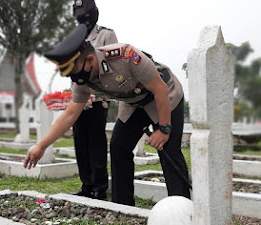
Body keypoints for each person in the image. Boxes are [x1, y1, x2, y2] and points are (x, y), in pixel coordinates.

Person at [24, 24, 191, 206]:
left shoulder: (125, 56)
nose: (74, 77)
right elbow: (70, 114)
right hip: (134, 103)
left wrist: (164, 128)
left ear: (89, 60)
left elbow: (159, 88)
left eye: (75, 70)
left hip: (166, 94)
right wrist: (41, 146)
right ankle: (123, 207)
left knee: (168, 150)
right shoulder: (82, 79)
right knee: (119, 147)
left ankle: (182, 207)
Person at [70, 0, 118, 200]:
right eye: (79, 16)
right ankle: (86, 185)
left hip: (98, 99)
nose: (82, 19)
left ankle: (99, 187)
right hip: (78, 98)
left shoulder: (106, 35)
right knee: (80, 143)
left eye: (85, 15)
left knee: (96, 143)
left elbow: (113, 66)